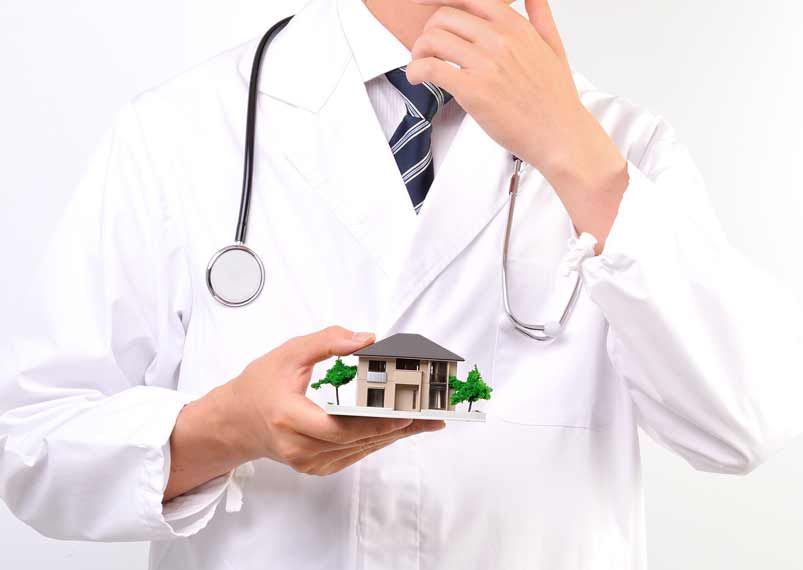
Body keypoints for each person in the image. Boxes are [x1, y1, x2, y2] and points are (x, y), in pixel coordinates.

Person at [1, 0, 801, 568]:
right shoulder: (181, 128)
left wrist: (576, 158)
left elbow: (741, 424)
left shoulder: (621, 148)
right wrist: (224, 428)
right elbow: (33, 446)